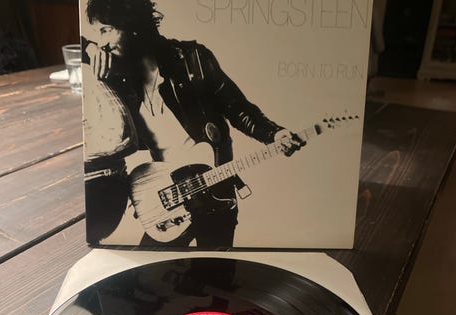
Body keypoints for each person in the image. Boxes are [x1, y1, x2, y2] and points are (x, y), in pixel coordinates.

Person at [83, 0, 304, 248]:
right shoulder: (120, 77)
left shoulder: (192, 59)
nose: (102, 42)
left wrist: (275, 134)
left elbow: (237, 107)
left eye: (106, 30)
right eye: (97, 33)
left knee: (215, 270)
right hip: (169, 197)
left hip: (214, 189)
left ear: (132, 25)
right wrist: (89, 48)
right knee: (148, 269)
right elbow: (76, 47)